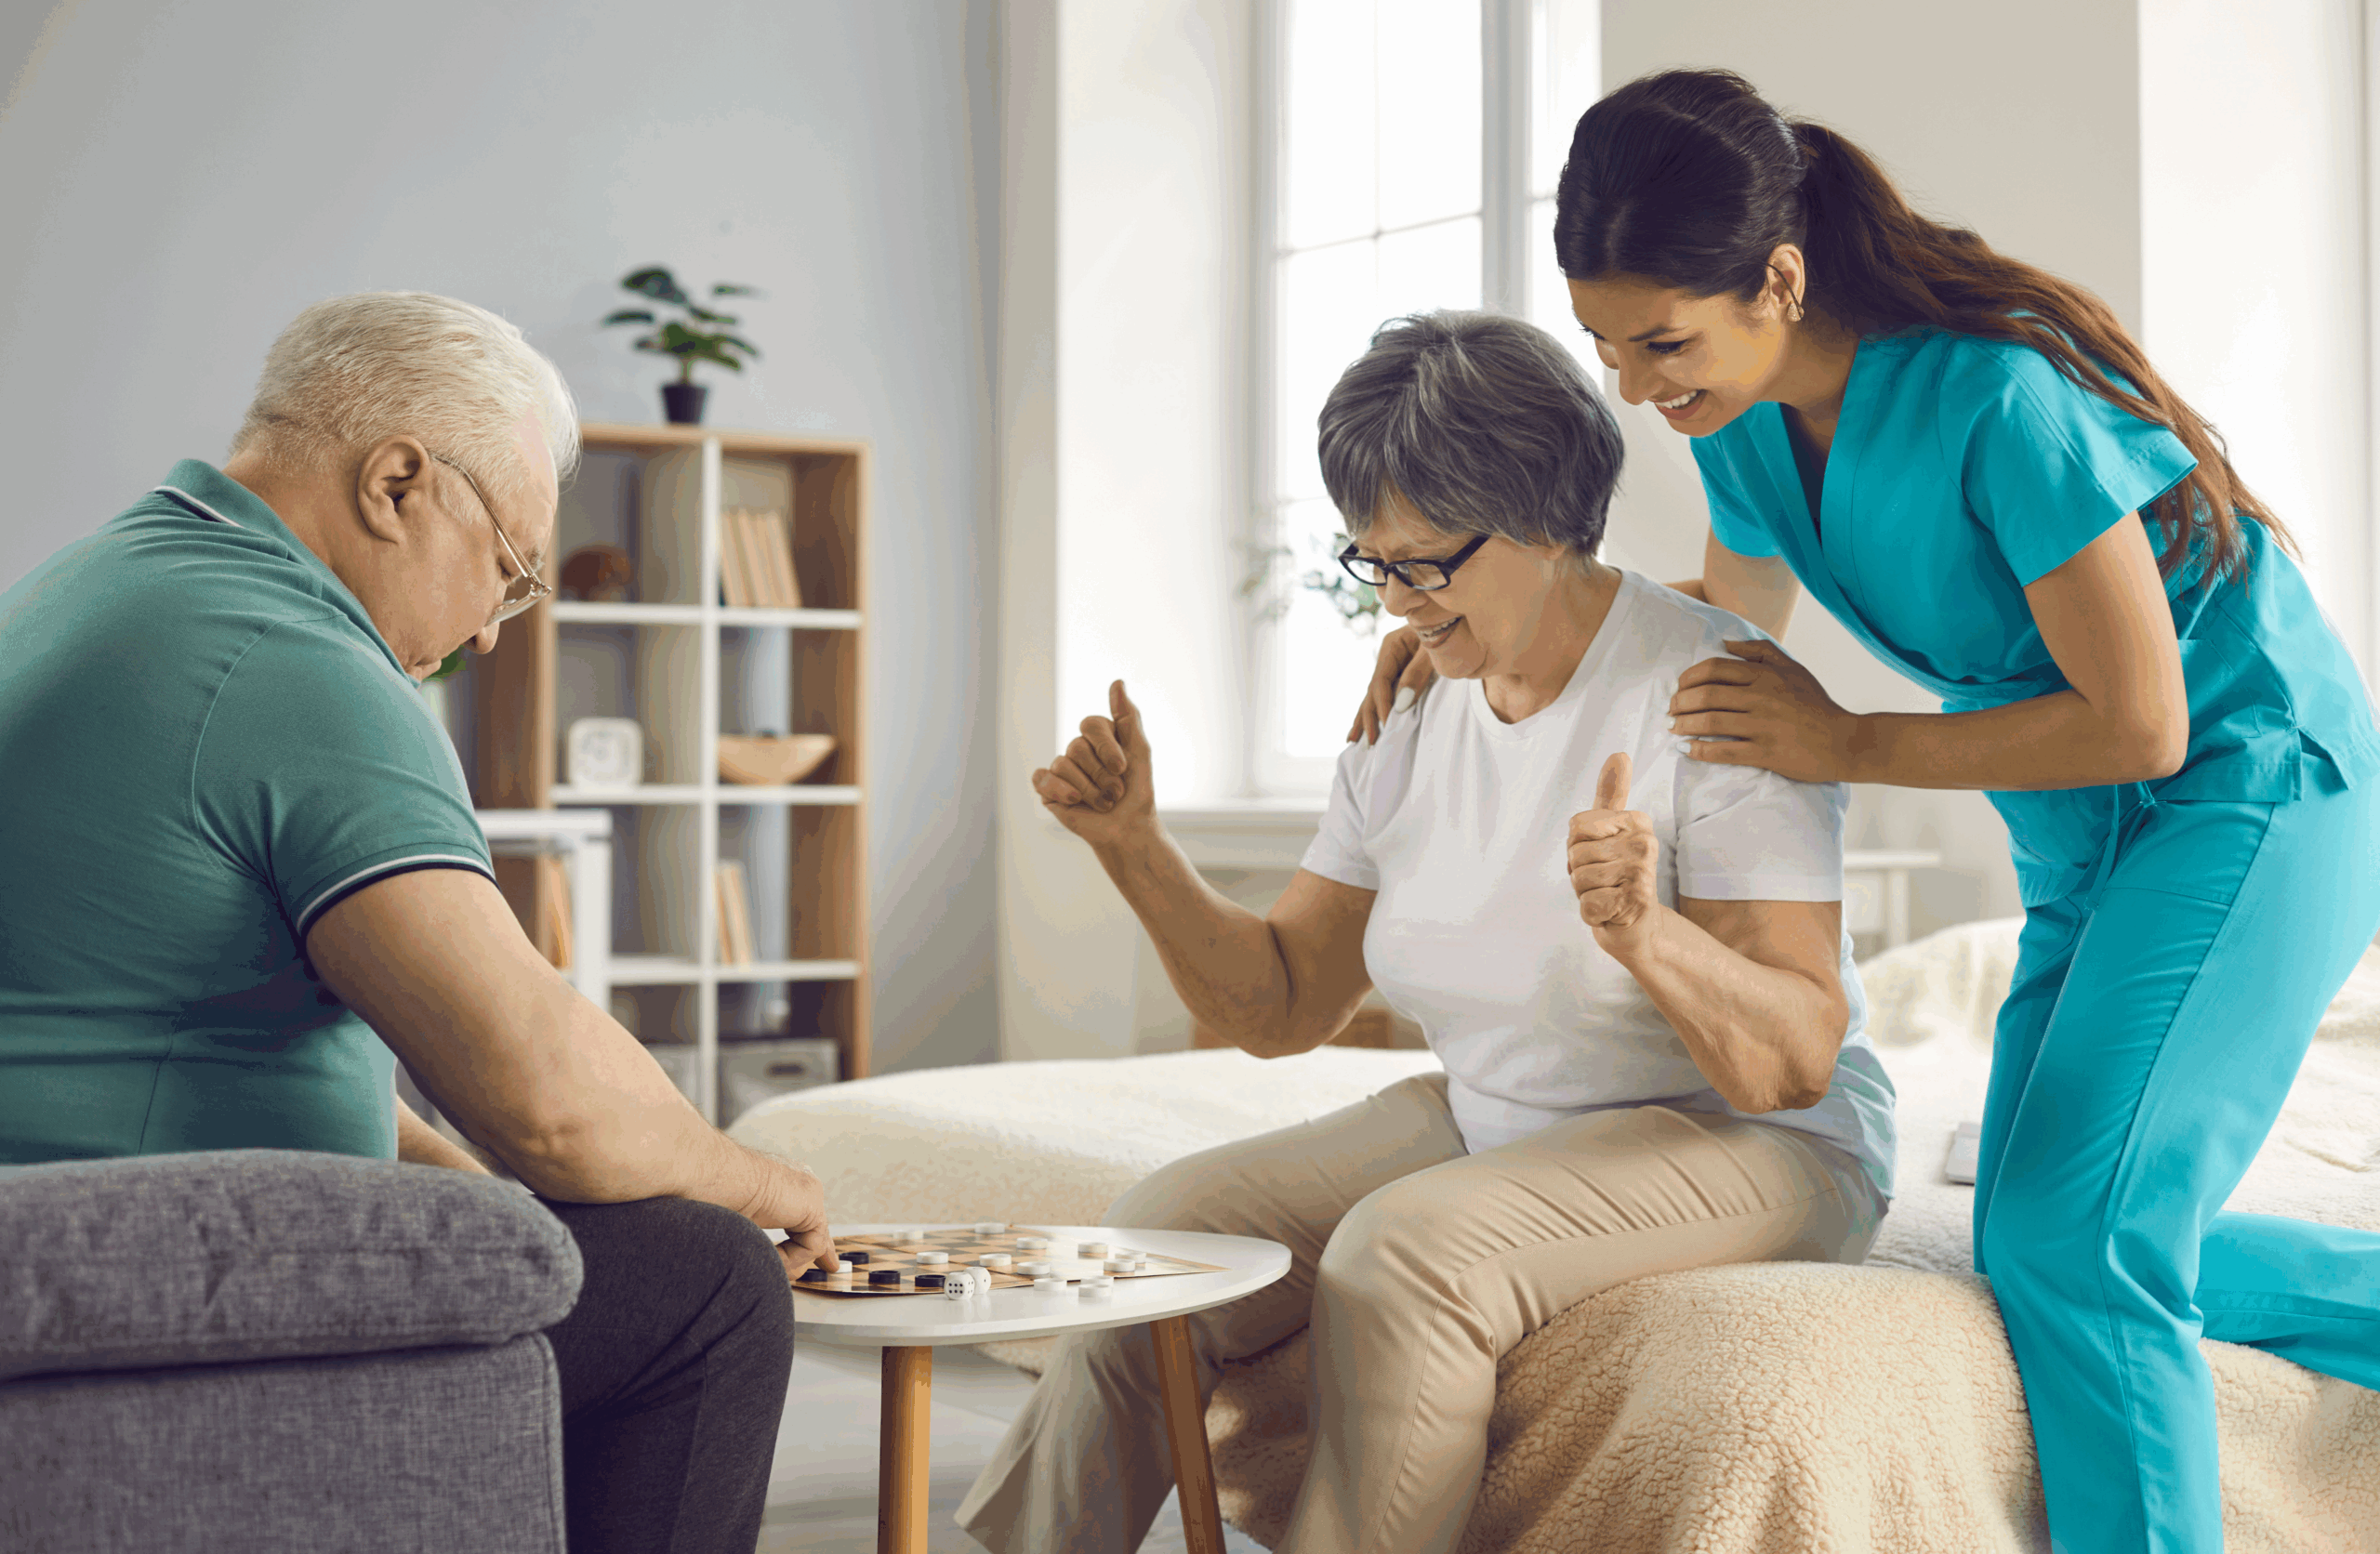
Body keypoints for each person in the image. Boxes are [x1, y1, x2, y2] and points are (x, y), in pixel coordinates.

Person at [1355, 69, 2380, 1554]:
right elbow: (1702, 630)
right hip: (2077, 820)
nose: (1637, 388)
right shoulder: (1743, 423)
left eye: (1663, 341)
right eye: (1606, 347)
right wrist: (1467, 614)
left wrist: (1844, 743)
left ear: (1778, 277)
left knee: (2082, 1236)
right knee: (2038, 1231)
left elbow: (2143, 717)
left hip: (2244, 788)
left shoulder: (2003, 395)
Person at [958, 309, 1897, 1554]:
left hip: (1764, 1141)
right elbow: (1284, 1005)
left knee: (1405, 1255)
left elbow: (1790, 1063)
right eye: (1372, 564)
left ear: (1554, 523)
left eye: (1426, 564)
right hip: (1504, 1111)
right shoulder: (1412, 699)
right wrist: (1135, 849)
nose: (1395, 603)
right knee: (1158, 1242)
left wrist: (1646, 934)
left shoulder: (1716, 692)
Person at [0, 292, 838, 1554]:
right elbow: (545, 1100)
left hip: (58, 1225)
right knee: (704, 1285)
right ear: (397, 483)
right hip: (141, 1261)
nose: (493, 632)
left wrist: (487, 1193)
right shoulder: (297, 661)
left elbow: (210, 1021)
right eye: (508, 570)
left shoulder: (91, 587)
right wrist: (759, 1181)